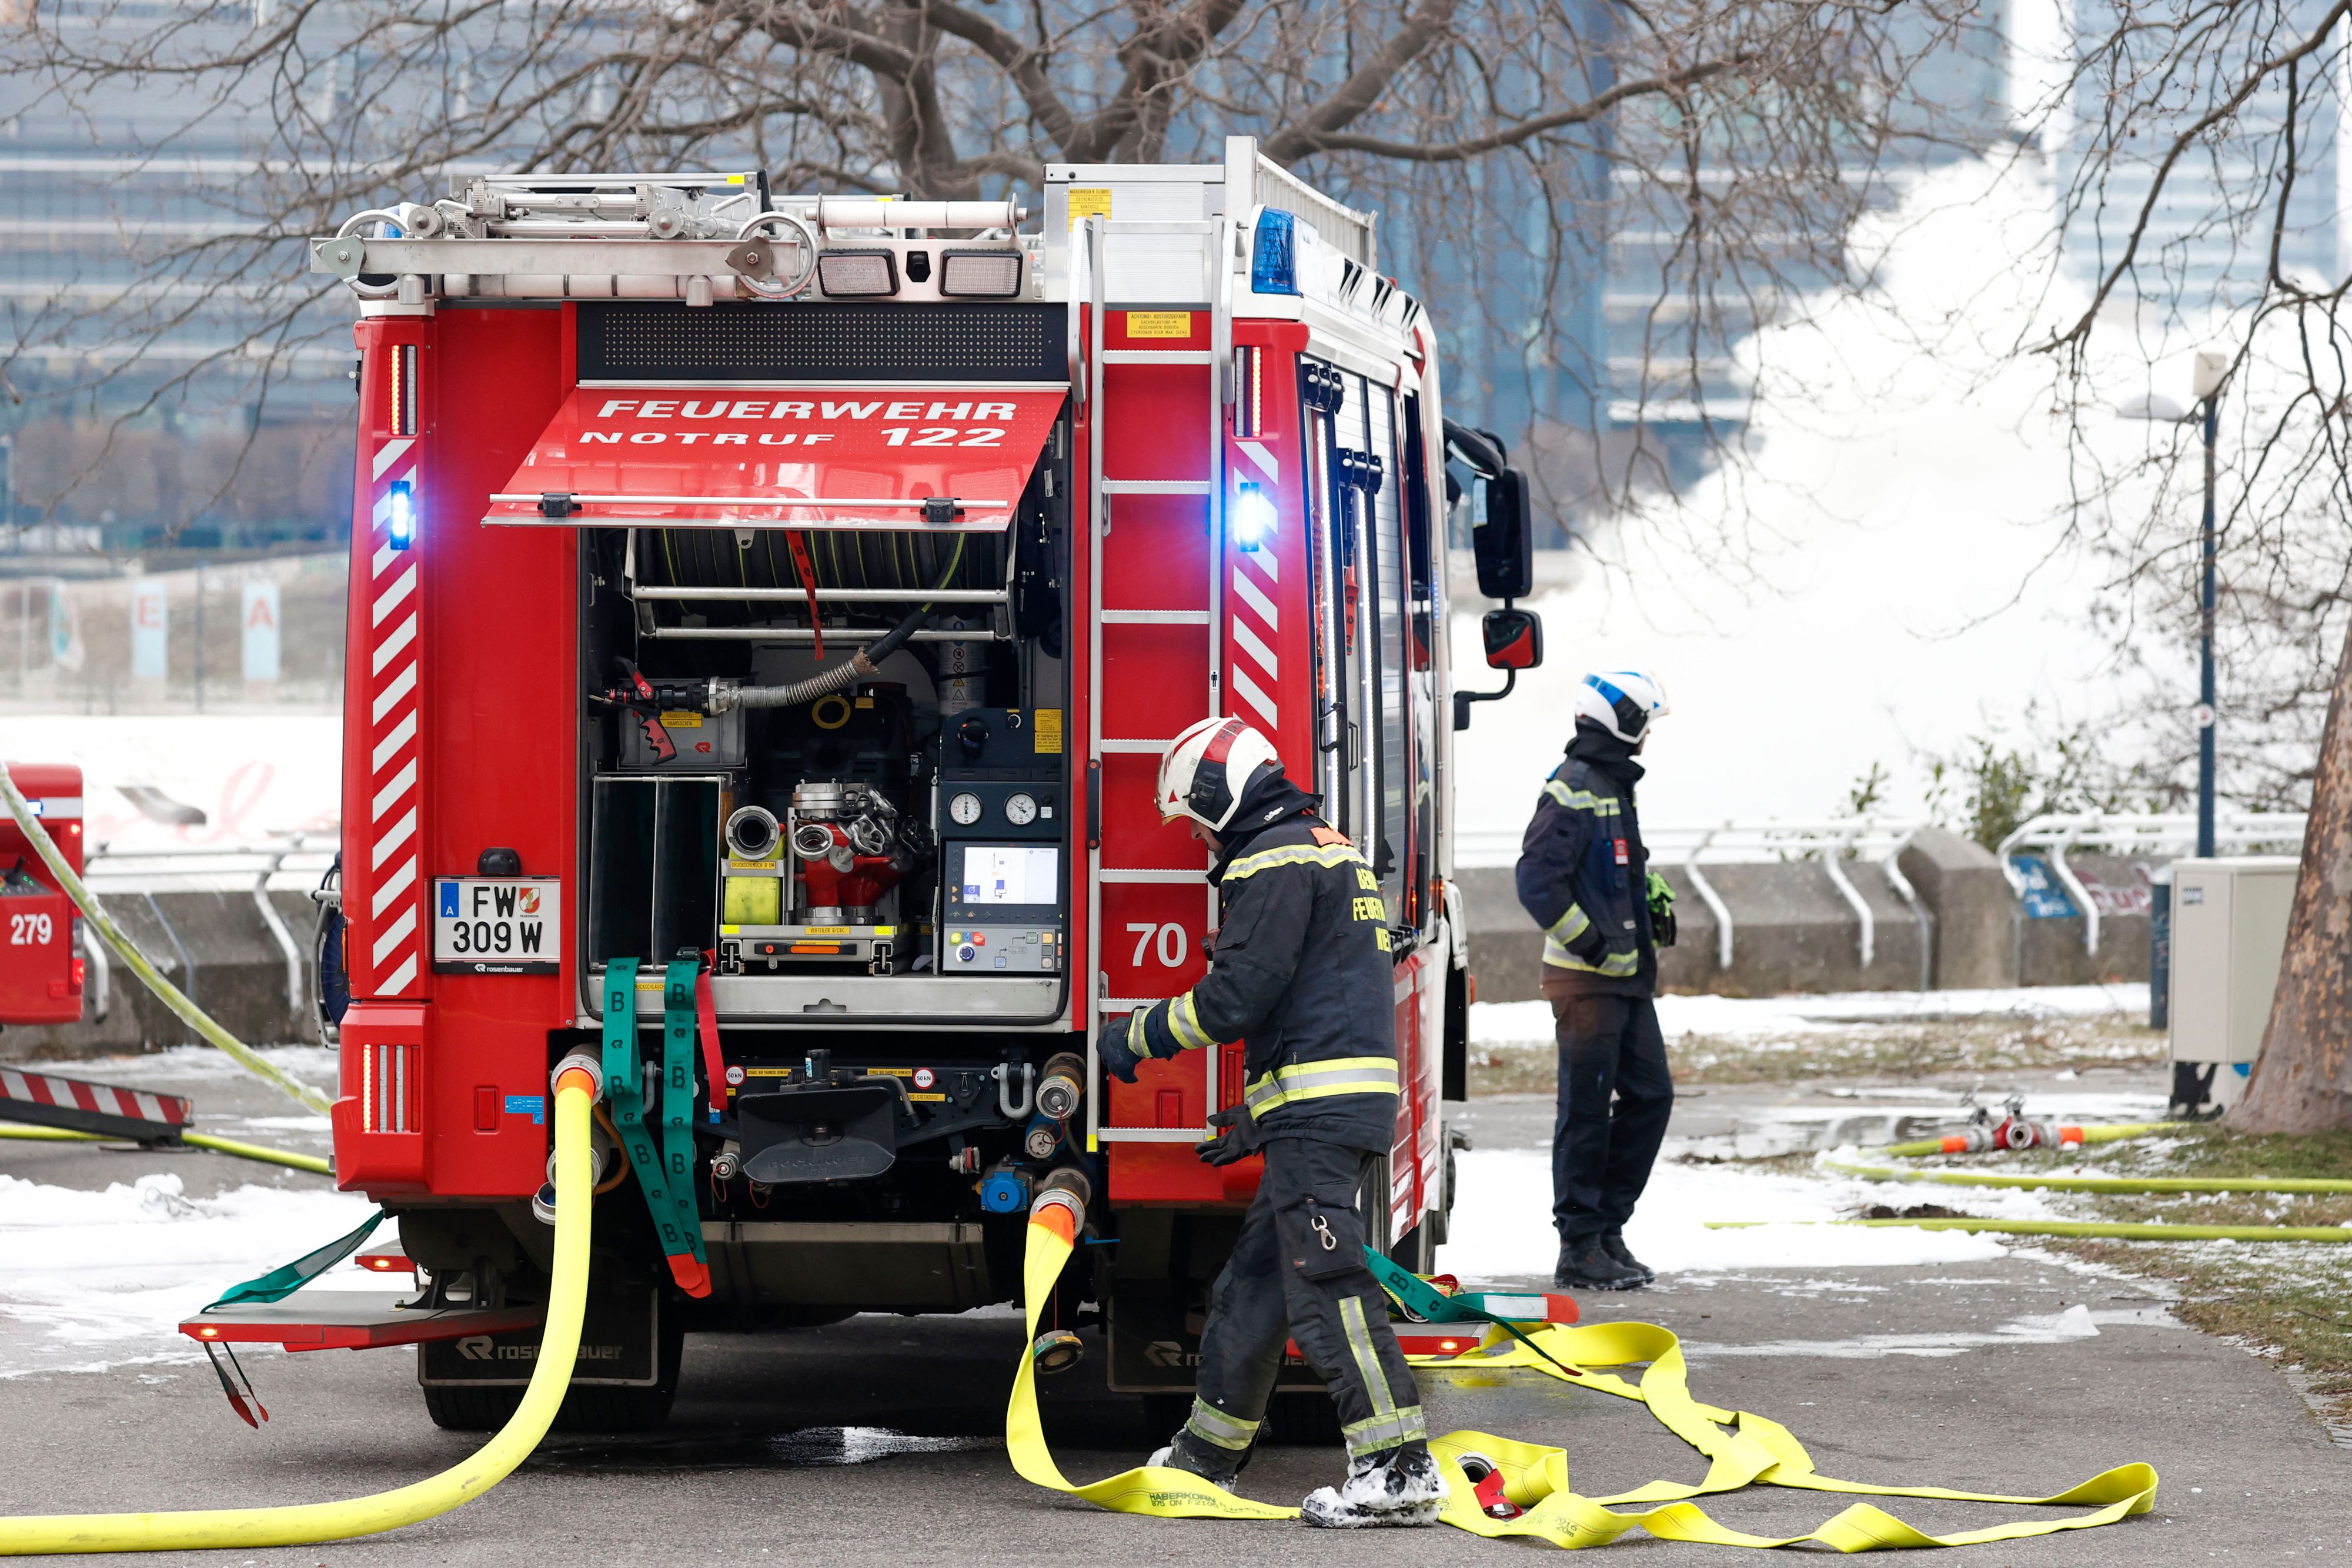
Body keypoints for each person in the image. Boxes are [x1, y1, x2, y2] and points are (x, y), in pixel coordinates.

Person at [1101, 714, 1445, 1529]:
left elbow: (1238, 998)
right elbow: (1316, 1006)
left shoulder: (1272, 858)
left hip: (1320, 1114)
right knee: (1252, 1284)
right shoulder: (1326, 846)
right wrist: (1261, 1113)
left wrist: (1134, 1036)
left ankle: (1398, 1466)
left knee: (1326, 1282)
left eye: (1195, 818)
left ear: (1222, 795)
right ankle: (1203, 1459)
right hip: (1324, 1105)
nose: (1196, 838)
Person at [1515, 670, 1676, 1292]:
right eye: (1643, 724)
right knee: (1585, 1112)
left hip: (1625, 980)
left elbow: (1610, 871)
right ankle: (1578, 1245)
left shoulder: (1611, 784)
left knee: (1651, 1097)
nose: (1646, 738)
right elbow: (1536, 882)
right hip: (1585, 985)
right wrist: (1592, 941)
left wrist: (1648, 897)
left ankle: (1607, 1229)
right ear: (1621, 722)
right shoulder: (1573, 786)